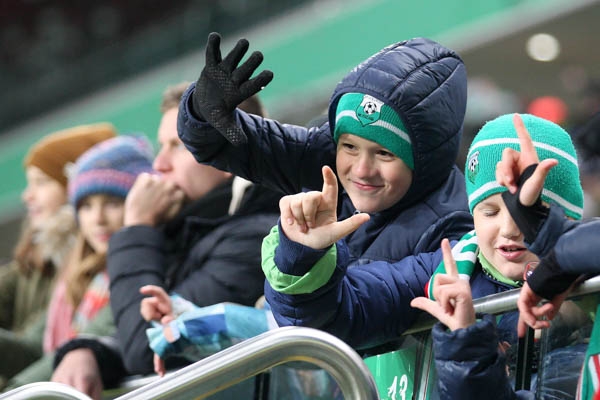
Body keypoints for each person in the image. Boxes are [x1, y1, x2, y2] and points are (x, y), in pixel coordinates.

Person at [177, 33, 473, 351]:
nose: (361, 169)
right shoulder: (324, 157)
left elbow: (345, 315)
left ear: (427, 158)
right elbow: (235, 142)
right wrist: (201, 112)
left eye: (385, 153)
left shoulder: (454, 229)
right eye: (349, 146)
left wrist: (303, 257)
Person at [50, 82, 281, 397]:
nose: (159, 165)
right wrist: (90, 351)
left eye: (178, 145)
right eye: (162, 146)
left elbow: (151, 348)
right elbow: (145, 330)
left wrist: (136, 228)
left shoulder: (256, 237)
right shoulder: (196, 230)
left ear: (228, 155)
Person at [411, 113, 595, 399]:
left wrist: (468, 347)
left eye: (526, 213)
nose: (510, 230)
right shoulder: (446, 268)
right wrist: (316, 257)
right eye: (490, 212)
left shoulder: (577, 344)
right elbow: (360, 301)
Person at [3, 135, 155, 393]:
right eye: (86, 206)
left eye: (113, 202)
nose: (98, 219)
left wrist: (15, 393)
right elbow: (33, 346)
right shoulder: (79, 273)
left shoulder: (140, 267)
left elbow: (93, 335)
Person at [0, 123, 115, 389]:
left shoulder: (98, 261)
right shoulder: (39, 255)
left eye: (41, 182)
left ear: (72, 186)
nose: (27, 196)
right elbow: (34, 342)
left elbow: (41, 351)